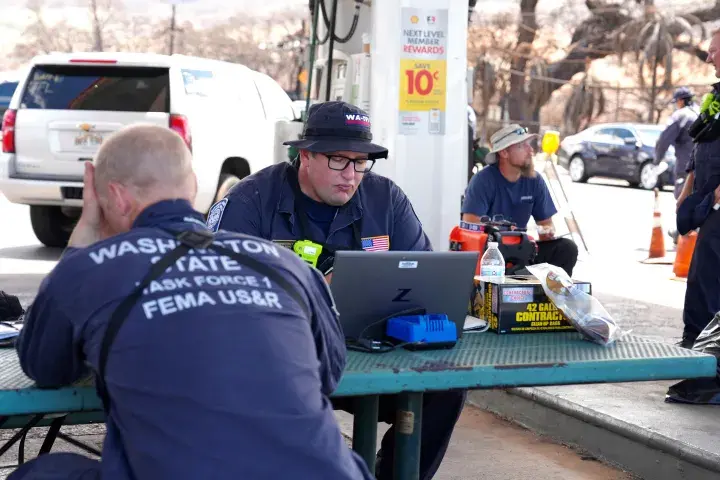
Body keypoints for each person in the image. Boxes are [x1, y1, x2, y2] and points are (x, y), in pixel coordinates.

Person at [12, 124, 372, 480]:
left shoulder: (90, 269)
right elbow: (330, 371)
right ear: (193, 186)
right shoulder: (287, 265)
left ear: (115, 198)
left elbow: (46, 367)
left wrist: (82, 240)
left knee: (38, 473)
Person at [207, 100, 466, 480]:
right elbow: (218, 295)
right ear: (305, 155)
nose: (352, 174)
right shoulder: (251, 202)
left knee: (446, 388)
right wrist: (312, 292)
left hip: (366, 353)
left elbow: (424, 276)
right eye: (339, 161)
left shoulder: (386, 199)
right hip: (278, 358)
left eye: (361, 162)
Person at [461, 124, 579, 276]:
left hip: (523, 250)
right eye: (522, 146)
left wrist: (548, 232)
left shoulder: (535, 181)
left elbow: (546, 225)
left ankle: (552, 296)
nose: (530, 151)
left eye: (529, 145)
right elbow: (470, 228)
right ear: (504, 152)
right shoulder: (483, 181)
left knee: (566, 248)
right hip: (491, 254)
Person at [674, 29, 720, 349]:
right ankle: (694, 343)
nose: (709, 57)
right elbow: (699, 142)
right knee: (700, 274)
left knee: (707, 273)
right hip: (705, 198)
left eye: (714, 50)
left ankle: (704, 351)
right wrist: (687, 187)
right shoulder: (716, 96)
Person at [656, 87, 700, 244]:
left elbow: (664, 139)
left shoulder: (680, 116)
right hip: (704, 166)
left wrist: (657, 160)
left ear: (681, 101)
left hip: (685, 166)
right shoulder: (702, 112)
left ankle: (682, 233)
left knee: (682, 198)